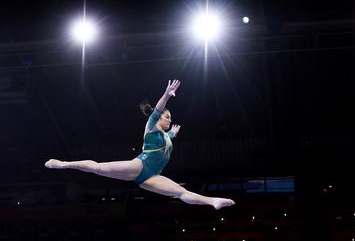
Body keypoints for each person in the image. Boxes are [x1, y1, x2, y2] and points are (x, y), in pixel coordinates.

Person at [45, 79, 235, 210]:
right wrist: (167, 94)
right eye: (167, 117)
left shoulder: (165, 134)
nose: (169, 119)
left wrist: (173, 133)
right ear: (159, 117)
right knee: (98, 168)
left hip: (151, 177)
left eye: (171, 118)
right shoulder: (151, 126)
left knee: (181, 193)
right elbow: (159, 108)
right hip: (139, 166)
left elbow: (166, 138)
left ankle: (213, 202)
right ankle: (63, 164)